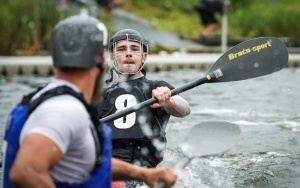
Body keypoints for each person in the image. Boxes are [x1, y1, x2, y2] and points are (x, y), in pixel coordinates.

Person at [2, 14, 176, 188]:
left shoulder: (44, 98)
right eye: (122, 49)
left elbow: (85, 160)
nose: (128, 54)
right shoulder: (64, 109)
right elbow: (25, 171)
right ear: (103, 58)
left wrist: (143, 174)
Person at [95, 29, 191, 171]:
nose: (128, 53)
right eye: (122, 49)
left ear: (144, 56)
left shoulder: (157, 87)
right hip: (112, 166)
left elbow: (185, 109)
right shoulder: (101, 95)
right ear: (113, 57)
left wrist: (169, 101)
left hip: (146, 164)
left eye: (134, 49)